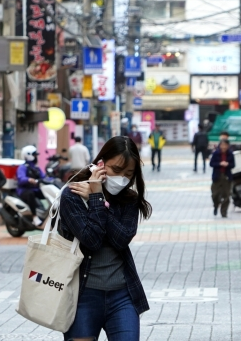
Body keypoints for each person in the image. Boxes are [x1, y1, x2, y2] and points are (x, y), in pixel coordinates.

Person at [60, 136, 152, 341]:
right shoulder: (72, 194)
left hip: (122, 295)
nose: (122, 178)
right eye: (117, 170)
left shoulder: (129, 199)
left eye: (129, 174)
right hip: (81, 295)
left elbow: (122, 239)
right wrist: (97, 196)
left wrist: (99, 200)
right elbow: (91, 239)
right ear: (100, 164)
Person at [16, 145, 46, 227]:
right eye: (34, 155)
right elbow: (21, 178)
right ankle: (34, 217)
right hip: (24, 190)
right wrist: (28, 179)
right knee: (30, 194)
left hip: (35, 189)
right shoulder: (22, 167)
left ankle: (46, 213)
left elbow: (43, 177)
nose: (36, 157)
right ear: (28, 155)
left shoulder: (36, 168)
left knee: (46, 193)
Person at [210, 139, 235, 218]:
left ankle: (224, 212)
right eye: (222, 145)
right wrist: (219, 164)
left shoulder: (230, 154)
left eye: (225, 145)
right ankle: (216, 205)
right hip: (217, 176)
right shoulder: (216, 153)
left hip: (227, 176)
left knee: (227, 195)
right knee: (215, 194)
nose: (223, 147)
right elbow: (211, 163)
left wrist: (228, 164)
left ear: (228, 146)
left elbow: (233, 164)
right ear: (219, 146)